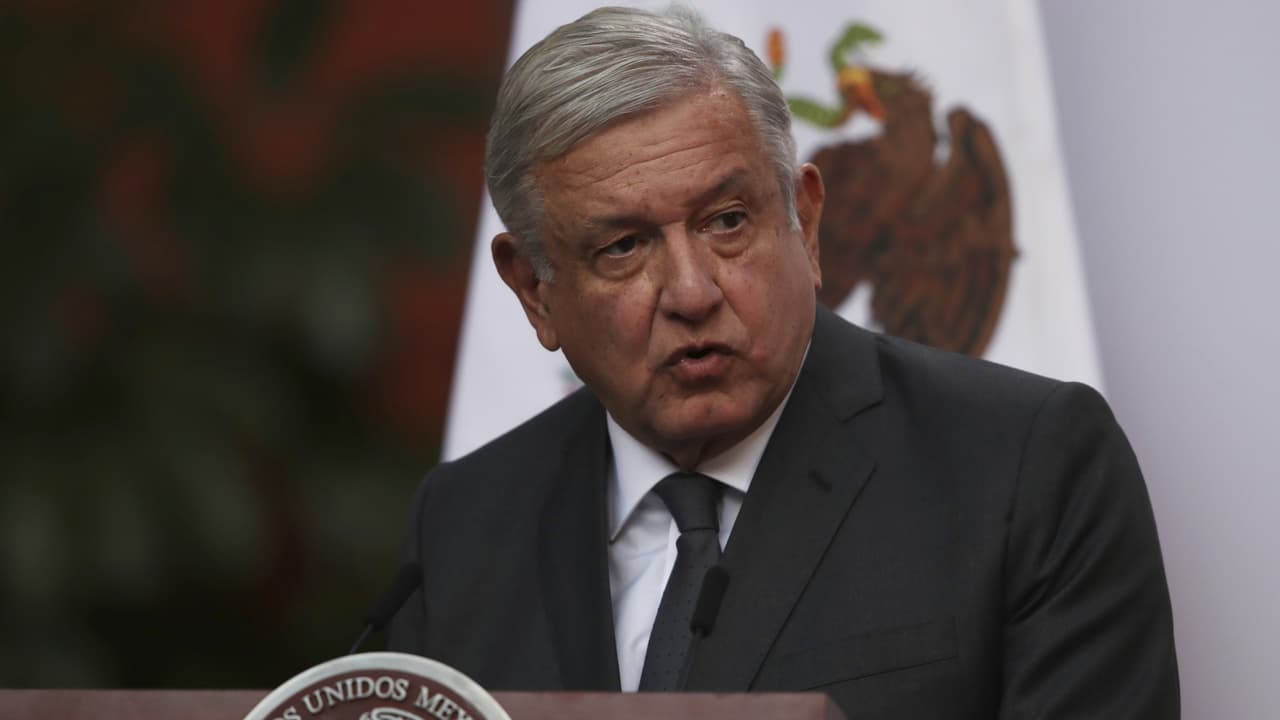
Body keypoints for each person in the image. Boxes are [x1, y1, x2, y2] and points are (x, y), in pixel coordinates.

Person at [390, 6, 1179, 718]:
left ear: (805, 218)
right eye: (624, 247)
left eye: (728, 221)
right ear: (534, 291)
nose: (692, 292)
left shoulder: (1022, 468)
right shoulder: (466, 522)